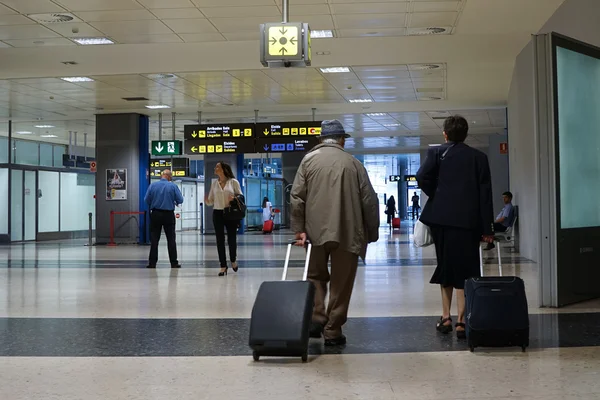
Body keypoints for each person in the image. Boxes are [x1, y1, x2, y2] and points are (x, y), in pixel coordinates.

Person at [291, 119, 379, 346]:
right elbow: (369, 201)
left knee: (315, 277)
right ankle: (333, 330)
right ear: (341, 140)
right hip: (348, 233)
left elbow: (297, 197)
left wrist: (299, 230)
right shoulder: (354, 164)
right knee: (342, 282)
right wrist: (372, 231)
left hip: (315, 233)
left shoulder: (308, 162)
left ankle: (317, 318)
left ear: (320, 140)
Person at [416, 115, 494, 339]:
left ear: (445, 134)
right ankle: (462, 320)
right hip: (468, 222)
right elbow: (485, 195)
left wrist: (438, 195)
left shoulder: (437, 153)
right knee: (467, 269)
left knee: (446, 265)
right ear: (466, 134)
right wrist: (487, 228)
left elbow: (422, 177)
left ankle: (445, 317)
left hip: (441, 220)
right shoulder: (479, 158)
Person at [205, 162, 243, 276]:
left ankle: (233, 260)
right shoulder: (215, 184)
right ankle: (223, 265)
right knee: (219, 240)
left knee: (232, 238)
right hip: (217, 213)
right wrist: (207, 201)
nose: (215, 168)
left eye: (217, 167)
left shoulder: (233, 182)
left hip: (230, 212)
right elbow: (211, 200)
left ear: (223, 169)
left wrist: (234, 198)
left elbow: (241, 196)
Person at [144, 169, 184, 269]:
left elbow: (146, 200)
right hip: (168, 215)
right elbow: (180, 199)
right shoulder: (173, 186)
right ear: (169, 176)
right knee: (171, 239)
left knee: (154, 239)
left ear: (162, 175)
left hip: (156, 214)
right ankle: (173, 263)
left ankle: (152, 263)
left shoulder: (153, 185)